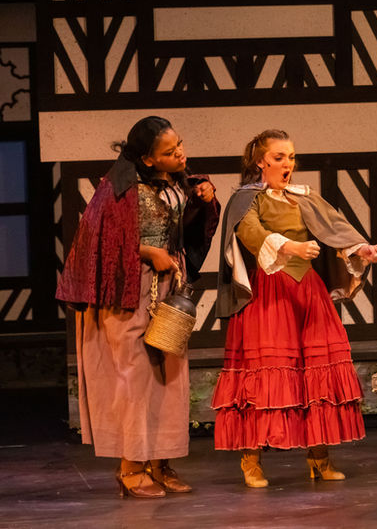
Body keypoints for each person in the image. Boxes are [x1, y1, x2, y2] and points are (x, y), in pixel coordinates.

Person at [56, 116, 220, 498]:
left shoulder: (178, 181)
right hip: (127, 290)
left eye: (180, 145)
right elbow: (98, 243)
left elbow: (186, 226)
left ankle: (160, 462)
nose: (181, 154)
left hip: (167, 288)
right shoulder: (117, 189)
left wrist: (201, 199)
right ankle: (131, 467)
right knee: (135, 378)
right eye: (170, 152)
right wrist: (147, 251)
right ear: (148, 159)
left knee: (170, 377)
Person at [211, 129, 377, 487]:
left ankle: (319, 458)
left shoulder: (303, 197)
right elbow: (249, 232)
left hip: (307, 291)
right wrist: (291, 247)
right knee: (265, 375)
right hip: (269, 293)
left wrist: (361, 249)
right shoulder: (247, 199)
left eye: (290, 157)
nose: (287, 164)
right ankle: (251, 461)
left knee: (316, 374)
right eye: (279, 158)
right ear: (261, 161)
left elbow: (335, 229)